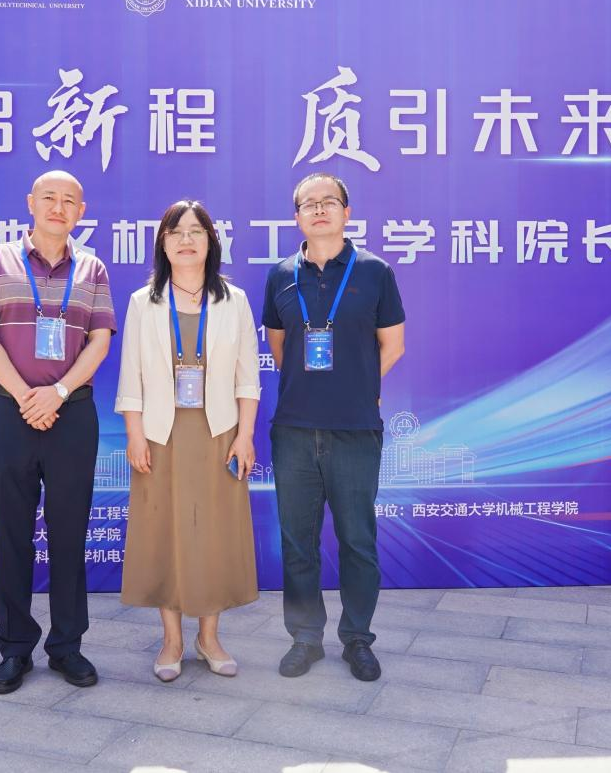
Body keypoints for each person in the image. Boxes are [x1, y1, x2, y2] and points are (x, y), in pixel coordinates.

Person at [0, 170, 116, 693]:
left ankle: (67, 646)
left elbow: (98, 342)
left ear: (81, 211)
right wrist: (28, 396)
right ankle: (15, 647)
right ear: (31, 202)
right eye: (49, 197)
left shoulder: (92, 268)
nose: (58, 206)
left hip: (73, 415)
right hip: (9, 414)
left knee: (70, 535)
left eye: (69, 200)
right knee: (11, 536)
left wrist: (58, 393)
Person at [261, 172, 406, 681]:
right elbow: (279, 347)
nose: (319, 209)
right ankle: (305, 639)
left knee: (357, 541)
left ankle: (357, 639)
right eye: (309, 203)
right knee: (298, 543)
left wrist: (358, 385)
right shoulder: (281, 276)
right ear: (297, 216)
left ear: (347, 211)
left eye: (329, 202)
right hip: (295, 430)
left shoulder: (375, 272)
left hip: (355, 430)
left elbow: (393, 345)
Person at [116, 199, 261, 681]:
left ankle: (209, 637)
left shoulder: (234, 301)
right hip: (161, 433)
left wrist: (245, 435)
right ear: (163, 243)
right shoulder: (143, 302)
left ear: (211, 241)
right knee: (165, 533)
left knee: (214, 534)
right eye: (175, 231)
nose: (186, 239)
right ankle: (172, 640)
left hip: (218, 433)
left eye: (196, 231)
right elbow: (131, 377)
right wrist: (135, 435)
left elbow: (247, 378)